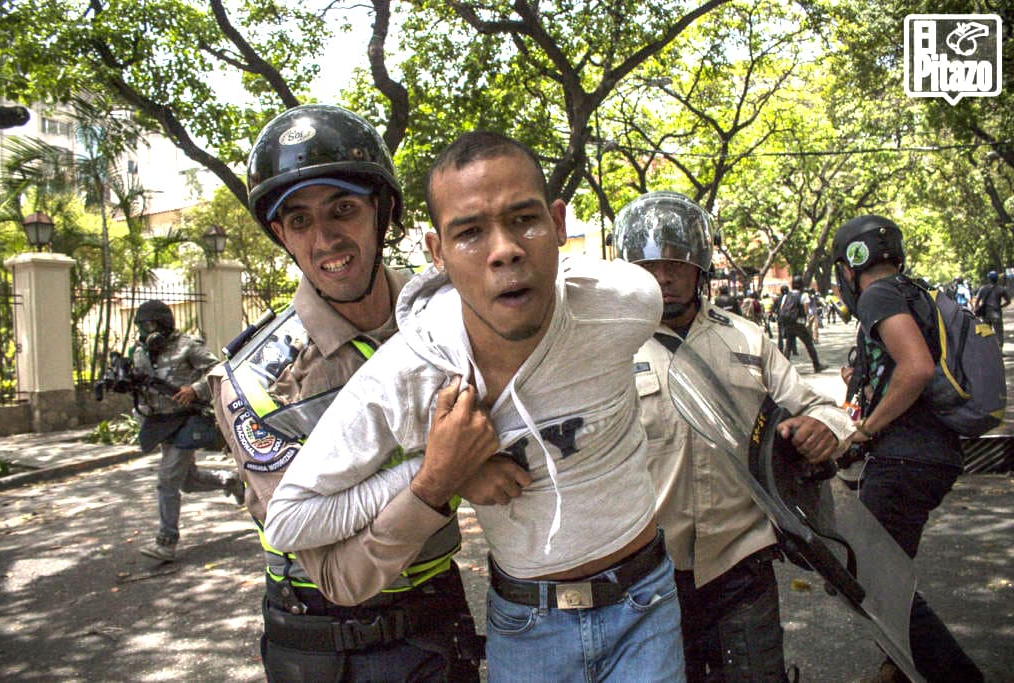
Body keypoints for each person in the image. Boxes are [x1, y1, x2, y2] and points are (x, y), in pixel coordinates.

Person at [266, 131, 685, 681]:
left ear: (559, 224)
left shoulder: (628, 303)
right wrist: (441, 471)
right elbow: (288, 521)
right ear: (437, 254)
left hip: (647, 603)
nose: (505, 249)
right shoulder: (408, 373)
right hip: (527, 625)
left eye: (524, 219)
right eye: (469, 232)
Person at [211, 104, 481, 681]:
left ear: (383, 212)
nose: (325, 238)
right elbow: (341, 575)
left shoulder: (451, 319)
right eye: (300, 221)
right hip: (325, 648)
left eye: (343, 209)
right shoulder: (256, 381)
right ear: (280, 235)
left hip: (441, 621)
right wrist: (437, 478)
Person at [615, 192, 854, 682]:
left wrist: (824, 428)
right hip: (647, 575)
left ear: (699, 268)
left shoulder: (746, 339)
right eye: (650, 266)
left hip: (742, 563)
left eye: (676, 264)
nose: (664, 277)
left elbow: (818, 408)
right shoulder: (608, 350)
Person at [831, 214, 984, 683]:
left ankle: (956, 675)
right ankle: (898, 667)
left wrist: (865, 430)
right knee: (888, 574)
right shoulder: (912, 292)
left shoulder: (877, 295)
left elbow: (916, 368)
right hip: (932, 453)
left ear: (849, 267)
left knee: (867, 577)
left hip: (905, 458)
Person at [131, 299, 243, 562]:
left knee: (167, 478)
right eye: (142, 327)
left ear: (164, 323)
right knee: (187, 481)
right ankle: (231, 481)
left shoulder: (187, 346)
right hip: (160, 423)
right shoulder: (140, 352)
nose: (147, 332)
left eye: (151, 325)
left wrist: (195, 389)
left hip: (188, 419)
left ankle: (166, 542)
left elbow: (219, 369)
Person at [781, 276, 827, 373]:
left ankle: (783, 368)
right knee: (809, 344)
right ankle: (816, 365)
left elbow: (782, 308)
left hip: (788, 323)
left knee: (788, 346)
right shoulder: (803, 295)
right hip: (799, 323)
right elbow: (806, 311)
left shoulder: (786, 296)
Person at [974, 270, 1010, 342]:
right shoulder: (1001, 289)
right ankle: (999, 347)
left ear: (989, 279)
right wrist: (1001, 306)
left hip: (985, 314)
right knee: (999, 333)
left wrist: (976, 310)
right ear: (997, 279)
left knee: (986, 333)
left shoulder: (983, 288)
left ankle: (988, 347)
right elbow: (1008, 301)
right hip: (996, 313)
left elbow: (977, 301)